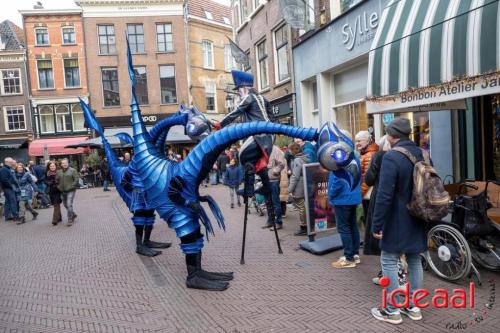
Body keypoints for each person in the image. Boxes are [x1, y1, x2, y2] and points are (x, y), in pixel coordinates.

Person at [371, 118, 427, 324]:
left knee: (388, 259)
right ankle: (414, 307)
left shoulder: (391, 157)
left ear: (391, 136)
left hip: (397, 218)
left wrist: (377, 224)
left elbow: (384, 195)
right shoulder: (422, 153)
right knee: (414, 259)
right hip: (419, 215)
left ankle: (392, 310)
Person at [214, 70, 276, 224]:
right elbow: (272, 117)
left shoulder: (248, 97)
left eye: (239, 90)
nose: (239, 94)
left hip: (258, 135)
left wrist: (221, 124)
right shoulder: (264, 98)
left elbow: (236, 112)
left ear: (244, 88)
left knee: (243, 155)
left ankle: (248, 189)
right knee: (260, 167)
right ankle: (264, 187)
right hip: (269, 136)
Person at [328, 130, 362, 268]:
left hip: (342, 198)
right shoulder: (354, 156)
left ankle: (348, 258)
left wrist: (331, 195)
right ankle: (355, 254)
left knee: (344, 228)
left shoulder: (340, 156)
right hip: (353, 196)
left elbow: (337, 180)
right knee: (353, 226)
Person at [363, 135, 390, 282]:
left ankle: (385, 274)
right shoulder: (414, 153)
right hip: (406, 201)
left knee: (381, 233)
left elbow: (369, 179)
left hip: (382, 197)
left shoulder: (379, 157)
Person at [355, 131, 379, 227]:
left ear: (367, 140)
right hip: (368, 193)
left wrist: (360, 193)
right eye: (356, 141)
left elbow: (367, 178)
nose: (357, 144)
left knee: (369, 220)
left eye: (359, 141)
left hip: (368, 194)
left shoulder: (369, 155)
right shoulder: (367, 153)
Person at [288, 143, 309, 236]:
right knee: (304, 205)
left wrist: (289, 189)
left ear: (293, 150)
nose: (288, 152)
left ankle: (303, 227)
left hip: (299, 186)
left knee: (301, 206)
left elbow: (295, 176)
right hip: (305, 184)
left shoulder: (297, 160)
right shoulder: (305, 157)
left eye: (289, 150)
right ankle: (307, 225)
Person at [263, 145, 286, 229]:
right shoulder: (261, 147)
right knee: (268, 202)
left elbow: (282, 163)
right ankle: (270, 221)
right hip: (264, 180)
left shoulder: (275, 149)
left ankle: (278, 222)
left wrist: (274, 171)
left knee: (275, 202)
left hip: (274, 180)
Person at [56, 158, 79, 226]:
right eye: (63, 163)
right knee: (65, 205)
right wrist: (58, 187)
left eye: (65, 163)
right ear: (61, 164)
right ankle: (73, 214)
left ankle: (70, 219)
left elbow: (76, 180)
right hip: (62, 191)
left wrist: (72, 186)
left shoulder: (73, 170)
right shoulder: (59, 172)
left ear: (68, 163)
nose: (64, 164)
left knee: (69, 204)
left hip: (71, 190)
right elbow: (56, 180)